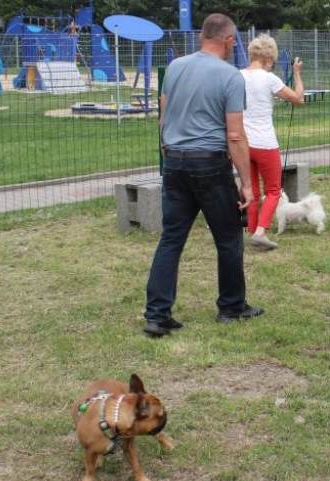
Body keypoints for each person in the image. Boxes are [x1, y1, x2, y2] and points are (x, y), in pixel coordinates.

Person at [143, 13, 263, 337]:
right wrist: (247, 184)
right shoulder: (230, 76)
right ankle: (231, 306)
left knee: (171, 239)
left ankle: (157, 315)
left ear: (201, 37)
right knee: (228, 238)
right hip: (210, 165)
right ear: (229, 41)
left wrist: (170, 153)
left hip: (175, 162)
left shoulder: (175, 68)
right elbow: (235, 135)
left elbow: (163, 119)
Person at [240, 34, 305, 249]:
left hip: (243, 143)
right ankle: (261, 232)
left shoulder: (238, 76)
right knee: (274, 190)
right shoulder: (269, 79)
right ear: (269, 58)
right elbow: (298, 99)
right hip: (265, 143)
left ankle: (251, 230)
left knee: (251, 189)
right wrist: (297, 73)